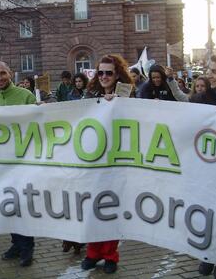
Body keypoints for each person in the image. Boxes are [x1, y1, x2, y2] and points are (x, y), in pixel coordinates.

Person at [81, 54, 134, 274]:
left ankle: (111, 255)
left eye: (108, 73)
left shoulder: (128, 95)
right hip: (94, 160)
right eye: (99, 72)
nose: (103, 76)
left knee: (111, 208)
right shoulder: (90, 94)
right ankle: (93, 253)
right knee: (93, 208)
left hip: (117, 162)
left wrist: (119, 103)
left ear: (117, 74)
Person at [0, 61, 36, 267]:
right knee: (9, 205)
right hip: (2, 163)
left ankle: (27, 248)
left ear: (10, 73)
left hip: (24, 161)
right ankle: (16, 243)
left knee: (23, 206)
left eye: (2, 73)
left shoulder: (26, 97)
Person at [192, 55, 216, 279]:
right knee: (209, 210)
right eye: (209, 70)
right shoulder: (203, 97)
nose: (209, 75)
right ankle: (209, 255)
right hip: (209, 164)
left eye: (214, 71)